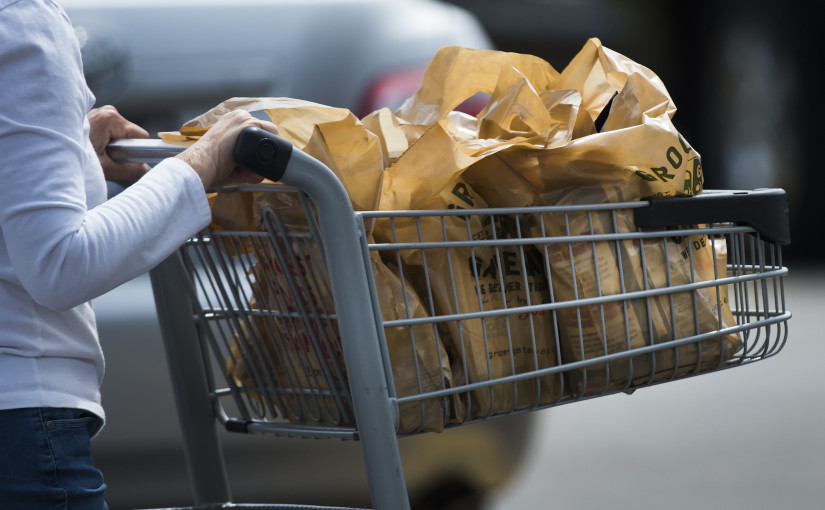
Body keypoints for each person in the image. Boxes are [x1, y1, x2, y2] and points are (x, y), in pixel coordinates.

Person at [0, 0, 279, 507]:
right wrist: (204, 161)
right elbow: (59, 265)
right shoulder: (21, 21)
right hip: (20, 420)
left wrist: (65, 155)